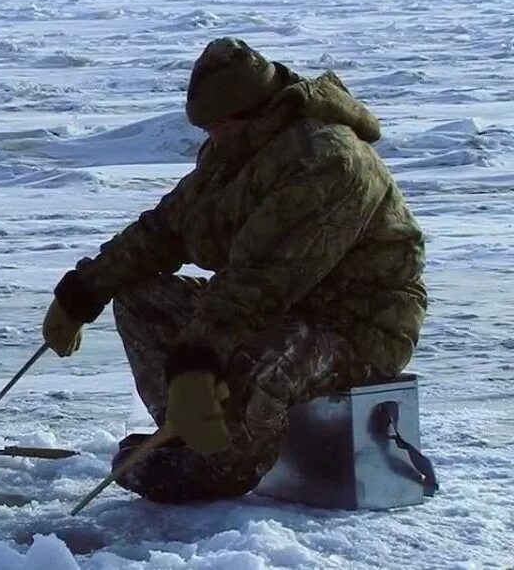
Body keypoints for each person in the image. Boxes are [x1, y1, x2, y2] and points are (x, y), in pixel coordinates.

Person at [42, 37, 428, 503]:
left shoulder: (326, 161)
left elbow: (262, 278)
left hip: (358, 325)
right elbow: (166, 229)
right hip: (280, 307)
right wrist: (84, 291)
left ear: (254, 112)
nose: (209, 137)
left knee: (259, 360)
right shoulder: (236, 153)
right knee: (141, 296)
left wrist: (195, 360)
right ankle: (191, 428)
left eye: (216, 125)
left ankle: (222, 465)